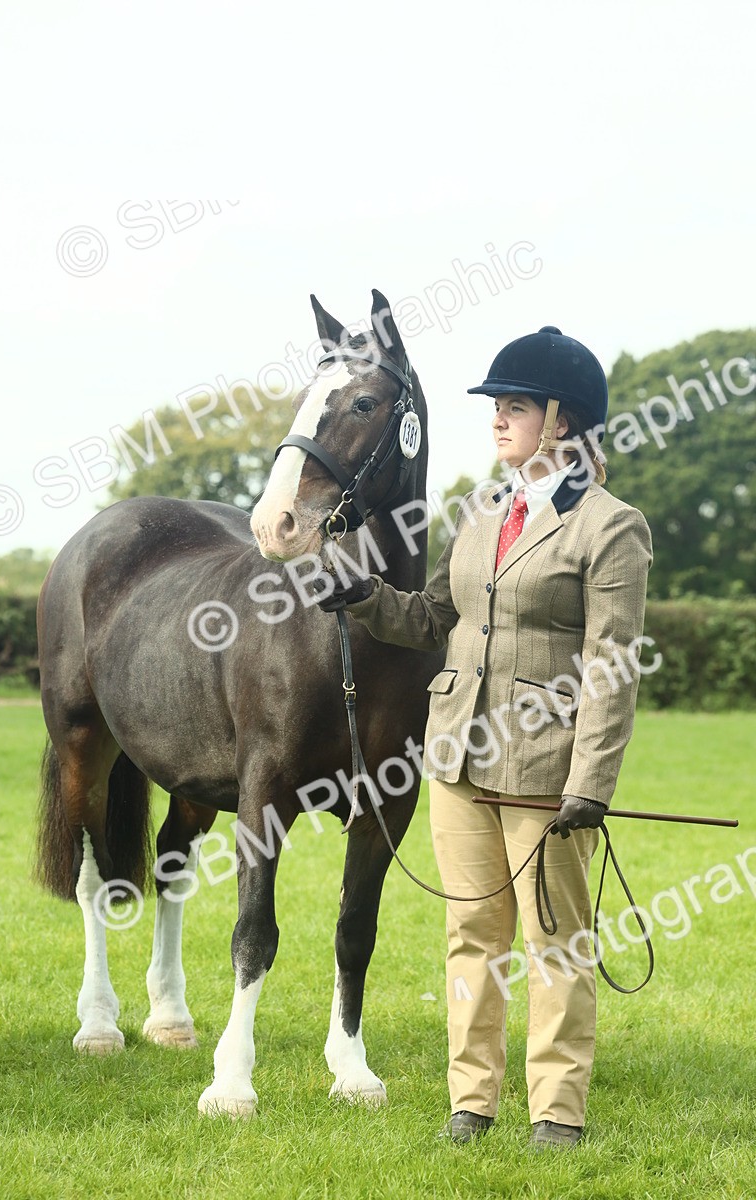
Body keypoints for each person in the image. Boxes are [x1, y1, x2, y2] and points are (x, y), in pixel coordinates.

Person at [314, 325, 653, 1150]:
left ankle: (557, 1114)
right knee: (471, 935)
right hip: (457, 756)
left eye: (514, 407)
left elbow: (613, 666)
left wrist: (591, 784)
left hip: (546, 766)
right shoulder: (479, 508)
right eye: (496, 408)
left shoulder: (612, 528)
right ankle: (471, 1103)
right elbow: (435, 616)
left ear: (562, 422)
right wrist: (363, 597)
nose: (497, 421)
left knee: (554, 945)